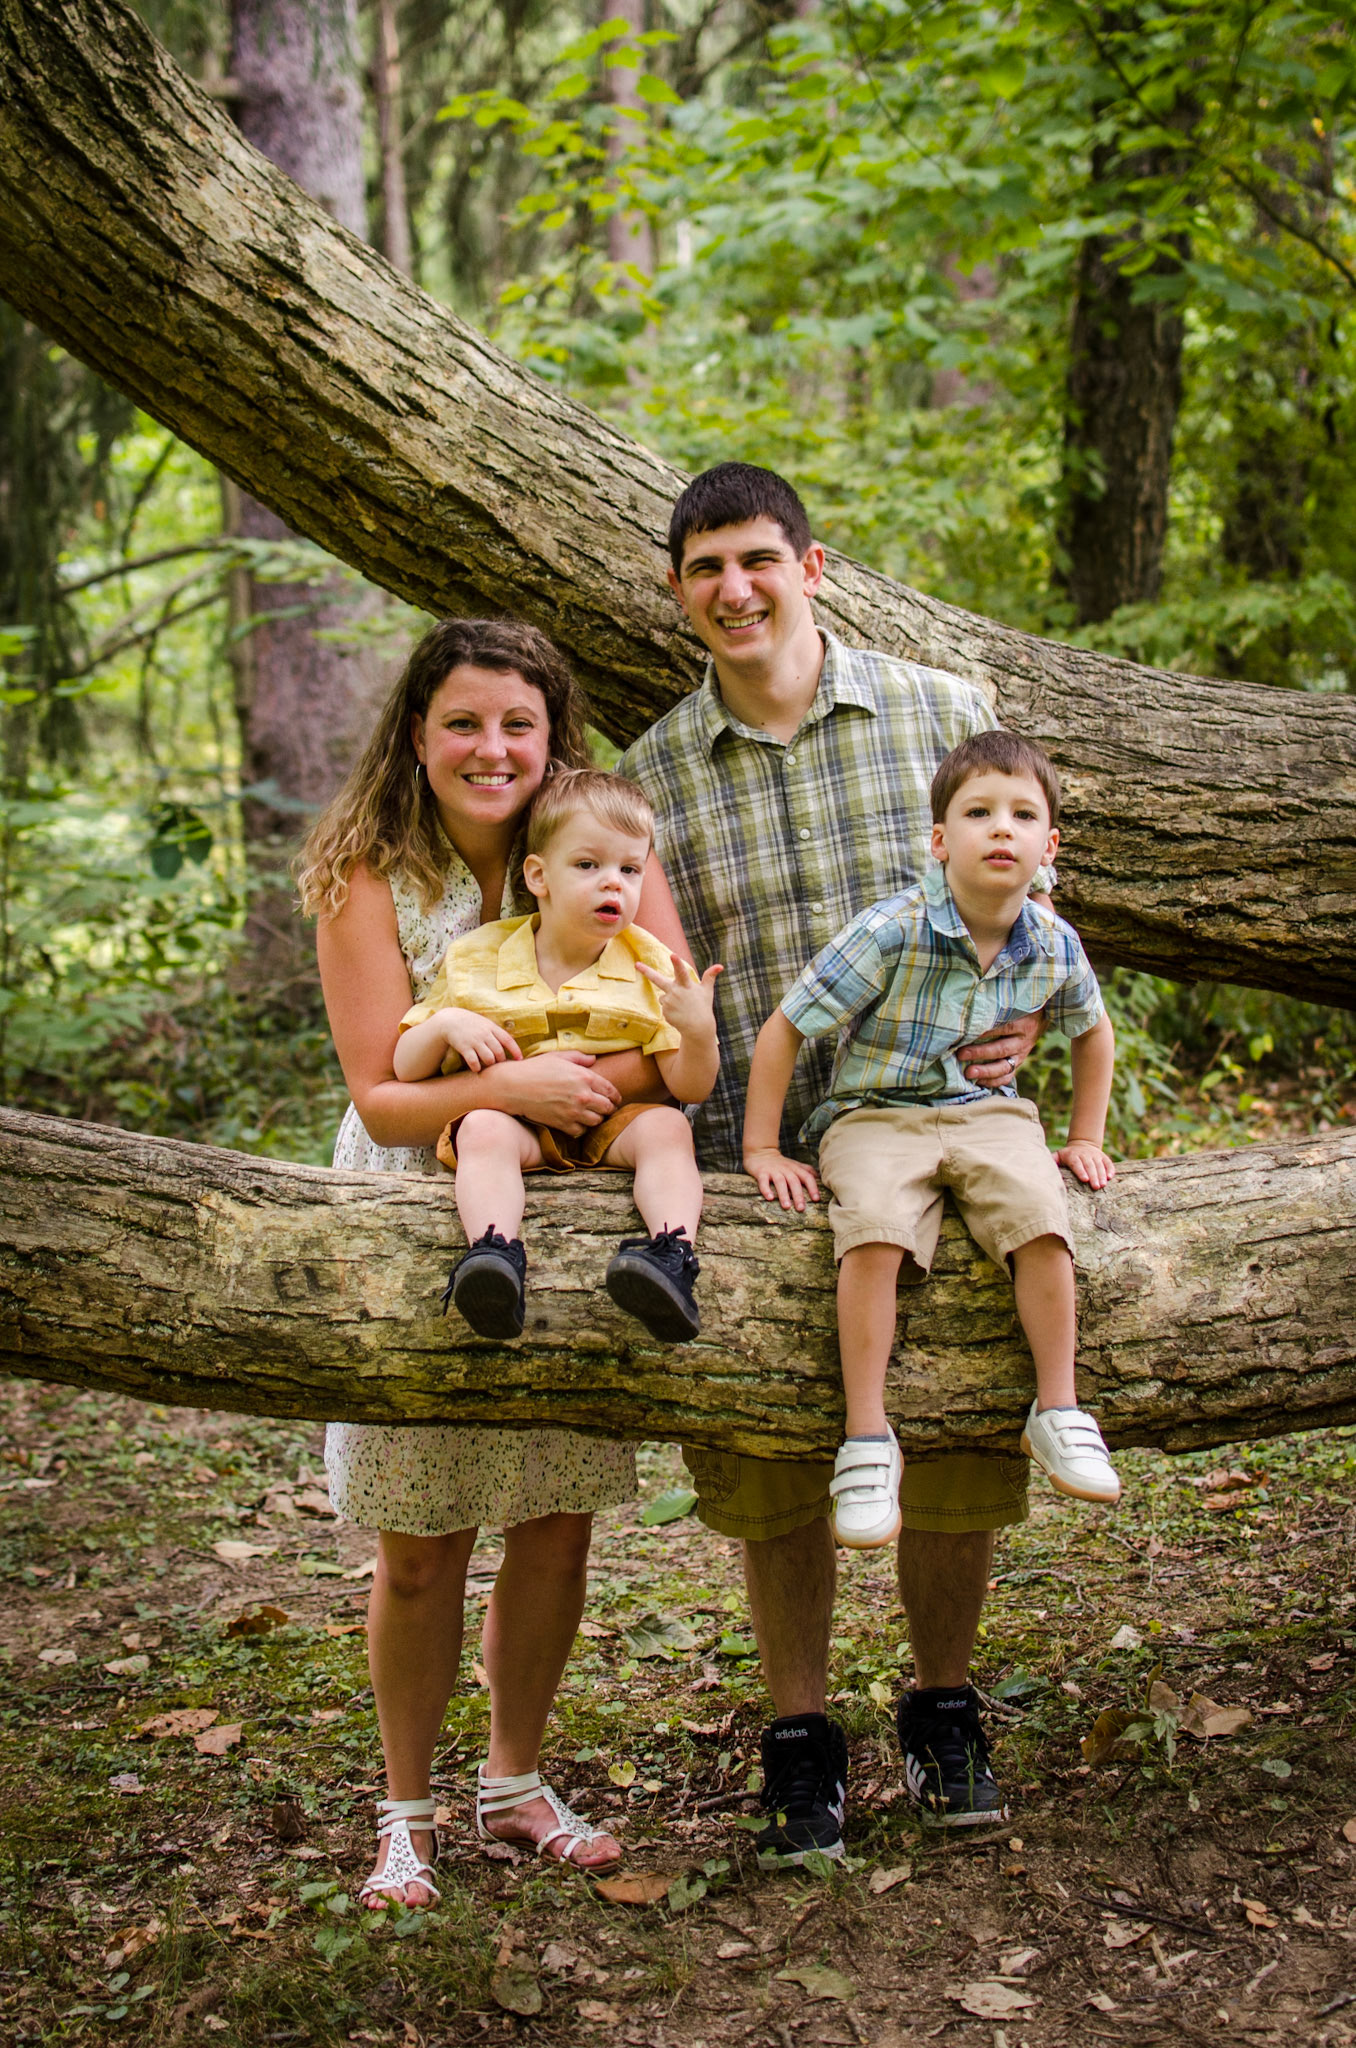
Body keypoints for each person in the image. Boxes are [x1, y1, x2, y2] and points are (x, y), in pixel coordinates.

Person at [619, 461, 1057, 1853]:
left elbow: (1029, 892)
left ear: (810, 568)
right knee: (770, 1454)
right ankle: (801, 1737)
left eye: (757, 558)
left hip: (934, 1133)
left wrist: (1030, 1020)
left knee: (960, 1430)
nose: (734, 588)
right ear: (680, 592)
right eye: (705, 568)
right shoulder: (649, 776)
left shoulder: (941, 711)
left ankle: (943, 1707)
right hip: (748, 1165)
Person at [300, 619, 665, 1905]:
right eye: (463, 721)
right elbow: (380, 1093)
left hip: (573, 1195)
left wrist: (565, 1093)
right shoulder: (366, 873)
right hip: (417, 1216)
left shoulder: (600, 842)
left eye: (519, 723)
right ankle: (405, 1812)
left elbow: (667, 1036)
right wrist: (513, 1085)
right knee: (420, 1540)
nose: (491, 747)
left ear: (554, 736)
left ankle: (514, 1782)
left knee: (555, 1522)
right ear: (418, 734)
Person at [742, 729, 1121, 1554]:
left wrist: (1085, 1136)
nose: (1002, 828)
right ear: (941, 840)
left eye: (1023, 815)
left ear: (1049, 847)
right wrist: (762, 1149)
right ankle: (867, 1437)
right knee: (873, 1229)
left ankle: (1059, 1407)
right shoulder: (893, 929)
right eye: (979, 813)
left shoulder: (1053, 942)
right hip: (875, 1114)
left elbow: (1094, 1032)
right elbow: (787, 1026)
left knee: (1041, 1219)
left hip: (989, 1113)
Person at [394, 768, 721, 1343]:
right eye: (588, 865)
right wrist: (445, 1024)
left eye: (630, 869)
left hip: (612, 1125)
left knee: (669, 1127)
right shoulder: (478, 959)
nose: (612, 883)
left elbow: (688, 1086)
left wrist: (698, 1032)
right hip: (518, 1127)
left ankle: (672, 1255)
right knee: (481, 1129)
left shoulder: (651, 965)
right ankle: (493, 1255)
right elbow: (405, 1066)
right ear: (538, 876)